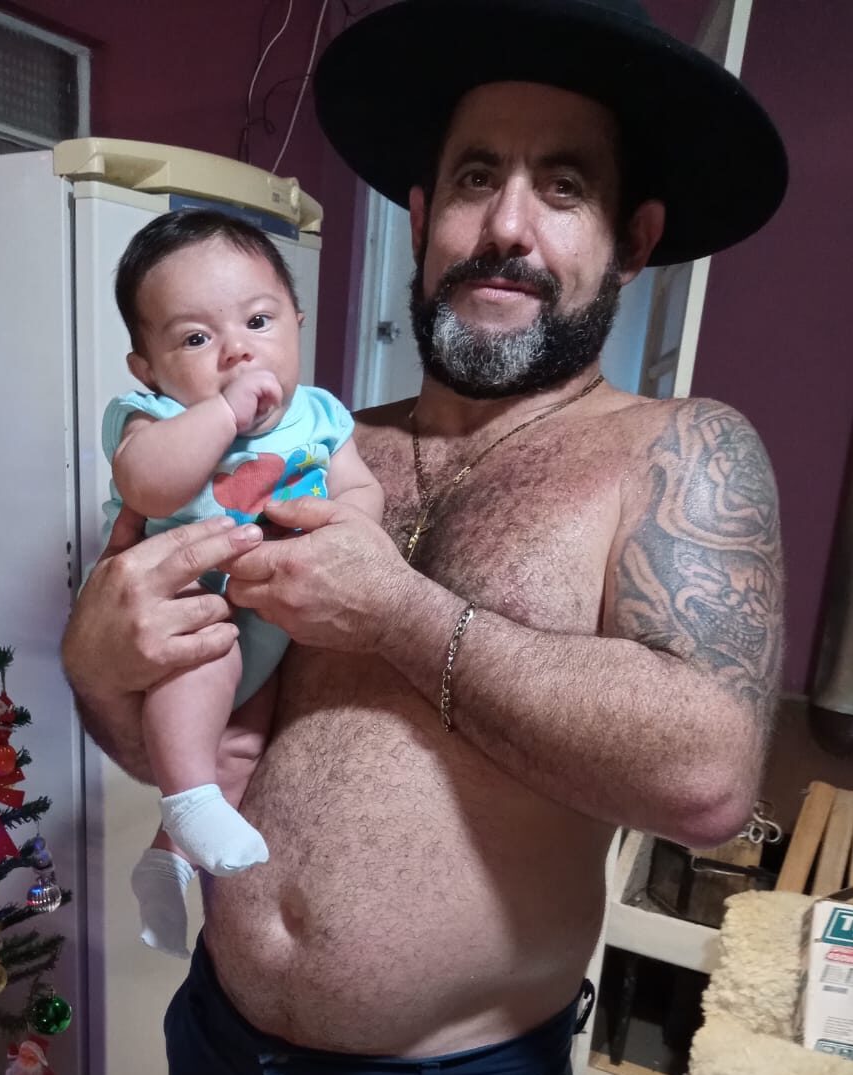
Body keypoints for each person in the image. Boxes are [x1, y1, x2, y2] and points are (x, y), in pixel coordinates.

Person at [62, 0, 788, 1070]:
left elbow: (706, 781)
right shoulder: (319, 449)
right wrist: (94, 664)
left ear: (631, 240)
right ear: (420, 216)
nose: (505, 227)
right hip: (214, 1027)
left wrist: (398, 612)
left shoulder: (677, 451)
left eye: (563, 188)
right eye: (474, 178)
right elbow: (171, 738)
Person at [101, 210, 383, 958]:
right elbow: (149, 485)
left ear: (296, 324)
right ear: (147, 368)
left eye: (259, 321)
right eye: (196, 338)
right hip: (195, 611)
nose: (237, 349)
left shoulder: (321, 415)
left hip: (272, 620)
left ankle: (168, 863)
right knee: (211, 662)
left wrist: (351, 526)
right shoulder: (155, 415)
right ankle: (187, 801)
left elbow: (360, 490)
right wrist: (223, 413)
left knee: (244, 747)